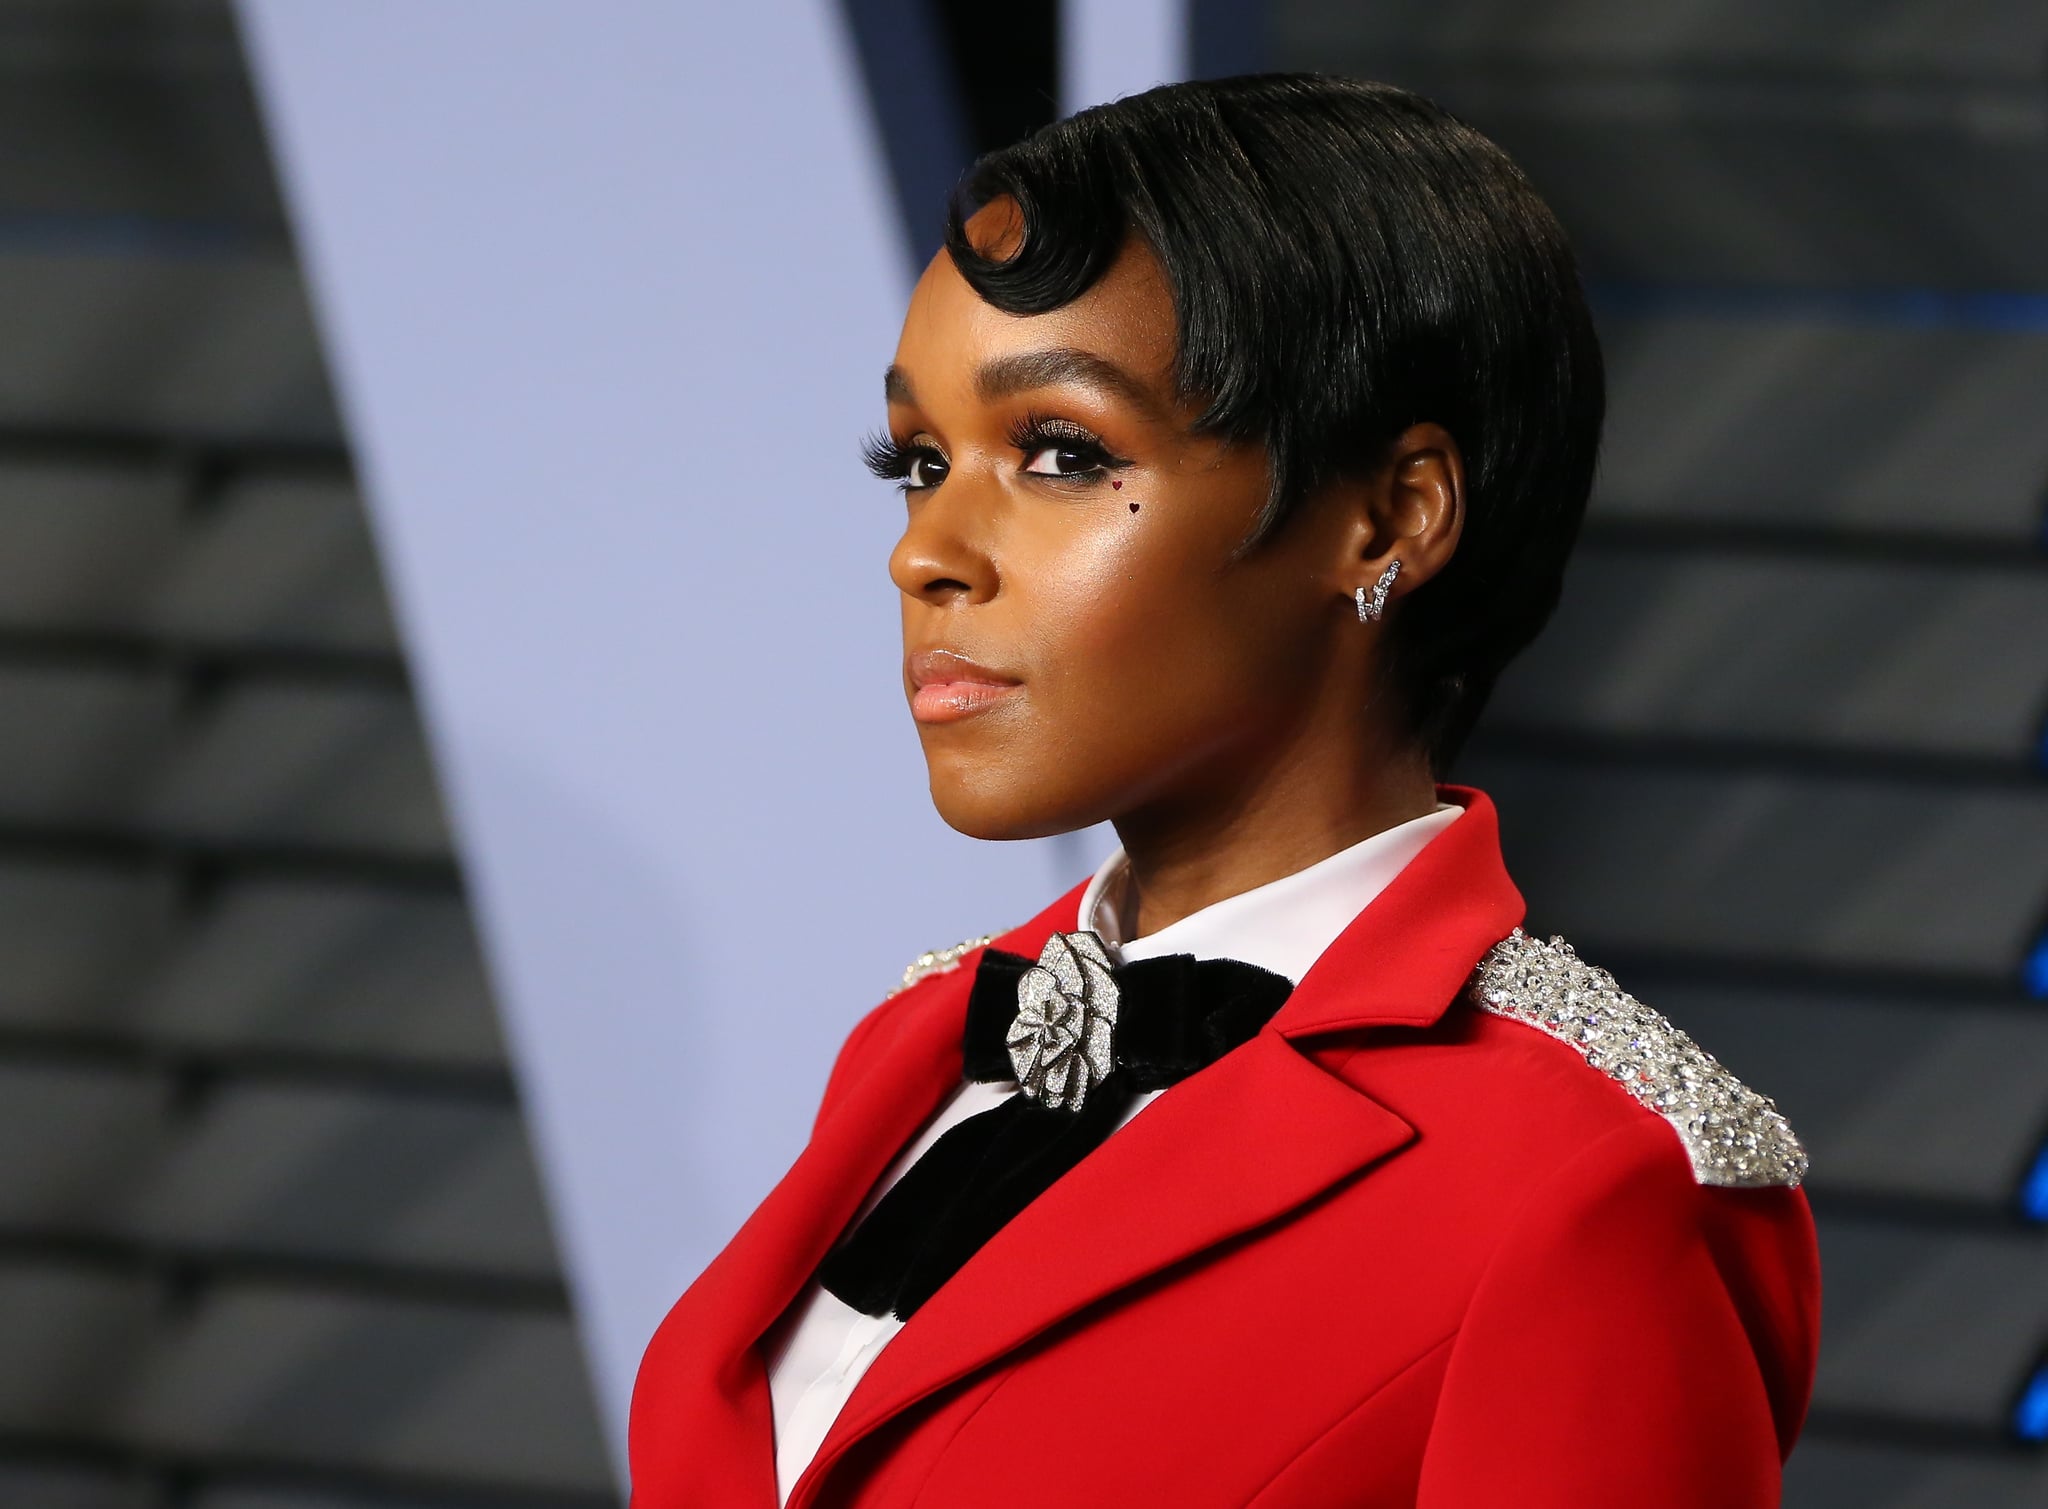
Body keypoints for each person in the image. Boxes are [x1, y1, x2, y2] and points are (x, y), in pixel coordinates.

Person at [627, 74, 1820, 1508]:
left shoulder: (1588, 1181)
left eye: (1061, 454)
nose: (926, 553)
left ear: (1389, 515)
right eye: (921, 462)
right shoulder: (917, 1038)